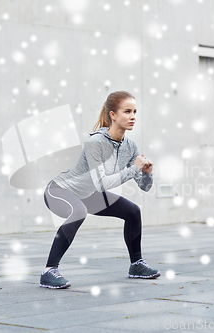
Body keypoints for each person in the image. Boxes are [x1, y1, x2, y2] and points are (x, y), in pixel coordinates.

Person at [40, 91, 160, 289]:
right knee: (78, 212)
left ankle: (136, 265)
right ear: (113, 115)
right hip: (59, 190)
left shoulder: (130, 145)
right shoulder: (96, 142)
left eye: (135, 112)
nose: (133, 117)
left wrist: (147, 173)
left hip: (86, 195)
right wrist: (133, 169)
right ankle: (49, 271)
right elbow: (101, 184)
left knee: (133, 211)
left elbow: (144, 187)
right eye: (127, 111)